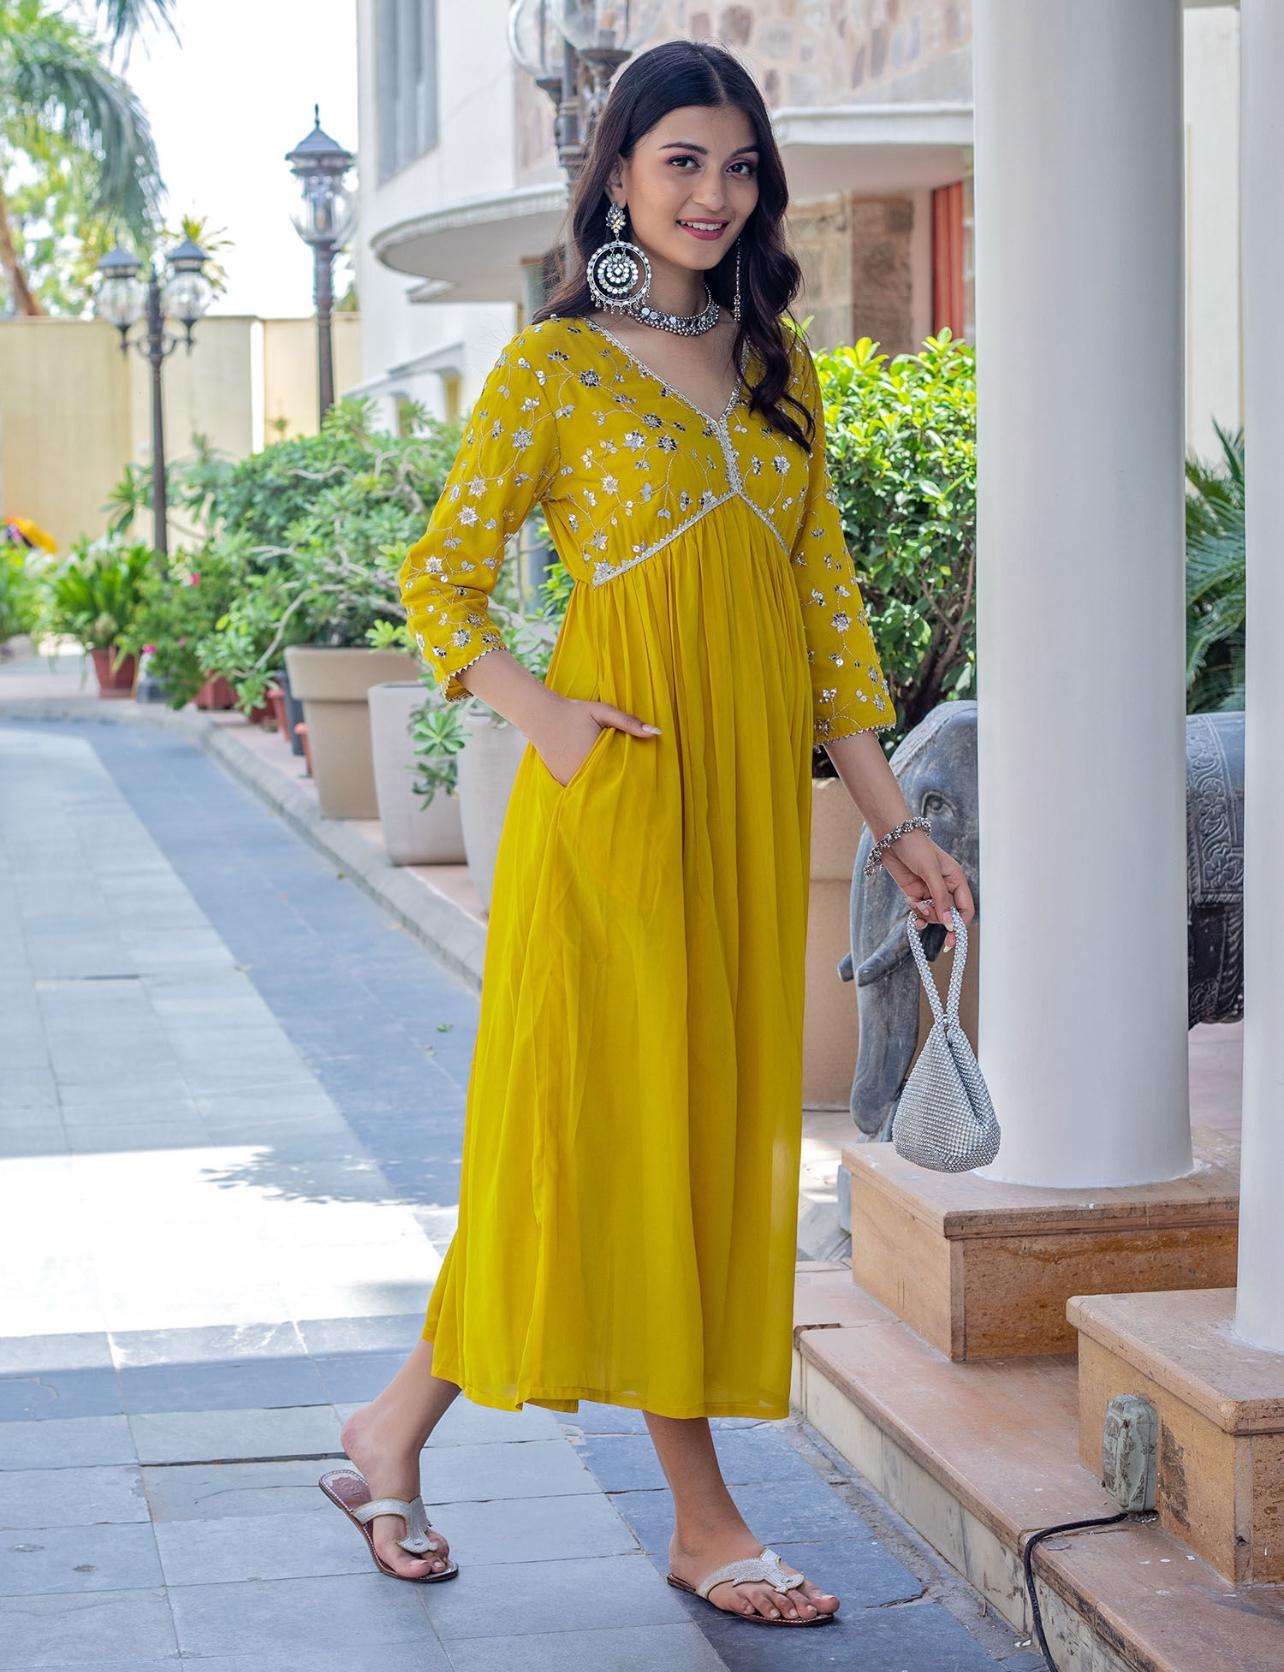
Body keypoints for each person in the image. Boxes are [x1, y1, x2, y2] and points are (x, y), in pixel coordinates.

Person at [323, 36, 974, 1628]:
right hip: (613, 808)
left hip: (742, 815)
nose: (714, 193)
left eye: (739, 166)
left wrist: (895, 826)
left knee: (648, 1138)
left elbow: (829, 631)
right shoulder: (553, 370)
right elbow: (440, 577)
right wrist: (539, 711)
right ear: (616, 173)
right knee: (619, 1136)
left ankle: (389, 1430)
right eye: (683, 160)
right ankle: (701, 1518)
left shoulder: (776, 371)